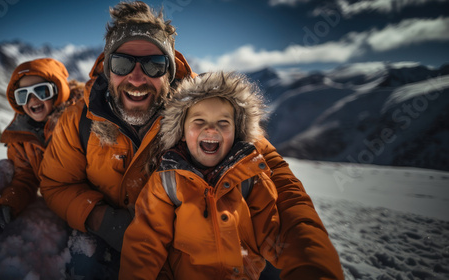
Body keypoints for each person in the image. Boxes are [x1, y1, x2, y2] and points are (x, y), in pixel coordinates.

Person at [39, 1, 344, 279]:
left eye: (154, 64)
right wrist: (103, 221)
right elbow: (56, 184)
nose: (136, 77)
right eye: (122, 63)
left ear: (169, 72)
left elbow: (275, 178)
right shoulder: (80, 119)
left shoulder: (204, 108)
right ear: (108, 68)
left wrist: (313, 263)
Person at [120, 71, 283, 279]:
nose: (211, 129)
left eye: (223, 123)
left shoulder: (251, 177)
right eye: (199, 121)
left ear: (237, 131)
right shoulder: (168, 181)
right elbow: (144, 245)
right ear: (181, 130)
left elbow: (274, 232)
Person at [0, 58, 83, 234]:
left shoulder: (80, 118)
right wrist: (9, 203)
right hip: (63, 207)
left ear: (57, 91)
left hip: (88, 204)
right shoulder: (22, 137)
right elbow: (25, 177)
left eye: (41, 91)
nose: (33, 99)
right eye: (23, 95)